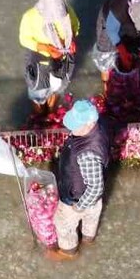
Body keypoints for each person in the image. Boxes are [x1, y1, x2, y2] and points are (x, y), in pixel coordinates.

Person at [49, 99, 110, 261]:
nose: (72, 130)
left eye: (76, 126)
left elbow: (96, 187)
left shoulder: (87, 154)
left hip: (77, 198)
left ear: (89, 125)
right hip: (94, 202)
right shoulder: (99, 127)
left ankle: (68, 252)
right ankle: (89, 240)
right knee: (91, 219)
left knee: (64, 225)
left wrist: (79, 206)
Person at [19, 0, 79, 112]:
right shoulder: (30, 17)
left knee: (58, 85)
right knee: (38, 91)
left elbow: (76, 25)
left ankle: (51, 111)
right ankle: (40, 114)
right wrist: (46, 48)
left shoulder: (67, 11)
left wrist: (72, 39)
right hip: (40, 59)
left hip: (63, 55)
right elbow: (24, 39)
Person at [91, 0, 140, 83]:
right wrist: (123, 53)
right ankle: (106, 82)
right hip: (109, 17)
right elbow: (112, 32)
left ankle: (133, 76)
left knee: (136, 46)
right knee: (105, 49)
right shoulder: (117, 10)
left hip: (134, 21)